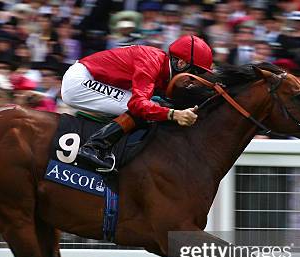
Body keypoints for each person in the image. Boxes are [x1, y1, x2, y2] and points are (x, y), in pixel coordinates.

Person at [61, 35, 212, 171]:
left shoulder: (164, 67)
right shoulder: (151, 60)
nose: (192, 80)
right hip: (80, 81)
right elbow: (138, 105)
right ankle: (93, 147)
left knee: (155, 105)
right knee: (145, 108)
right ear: (180, 63)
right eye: (194, 73)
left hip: (90, 79)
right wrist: (174, 114)